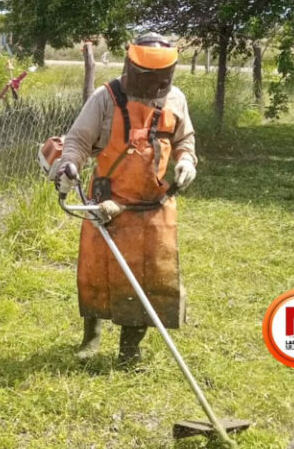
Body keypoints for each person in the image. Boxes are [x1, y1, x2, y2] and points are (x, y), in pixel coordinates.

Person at [54, 33, 197, 365]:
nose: (151, 83)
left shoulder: (176, 100)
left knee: (150, 276)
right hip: (108, 204)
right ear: (132, 67)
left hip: (154, 205)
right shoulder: (106, 98)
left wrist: (187, 161)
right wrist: (70, 164)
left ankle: (130, 347)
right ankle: (91, 336)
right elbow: (77, 139)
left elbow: (184, 139)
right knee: (96, 271)